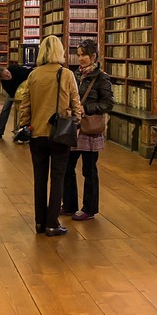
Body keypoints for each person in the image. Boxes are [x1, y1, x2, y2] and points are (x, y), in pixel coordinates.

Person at [15, 35, 83, 236]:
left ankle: (39, 222)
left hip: (37, 133)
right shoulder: (66, 74)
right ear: (59, 51)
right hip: (60, 133)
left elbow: (24, 104)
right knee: (58, 178)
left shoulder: (33, 75)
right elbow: (75, 102)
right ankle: (52, 223)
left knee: (39, 178)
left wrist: (25, 125)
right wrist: (76, 122)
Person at [62, 40, 114, 220]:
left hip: (89, 129)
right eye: (78, 55)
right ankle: (69, 205)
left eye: (84, 55)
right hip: (74, 127)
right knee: (67, 166)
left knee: (89, 170)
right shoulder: (75, 75)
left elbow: (108, 104)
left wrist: (87, 108)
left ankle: (90, 209)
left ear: (93, 57)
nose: (80, 58)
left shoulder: (102, 78)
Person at [0, 60, 30, 140]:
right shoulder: (4, 83)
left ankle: (24, 131)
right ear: (2, 79)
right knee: (5, 108)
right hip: (14, 92)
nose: (8, 76)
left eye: (8, 73)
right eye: (6, 76)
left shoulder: (15, 68)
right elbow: (12, 94)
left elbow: (28, 73)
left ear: (8, 69)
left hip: (26, 89)